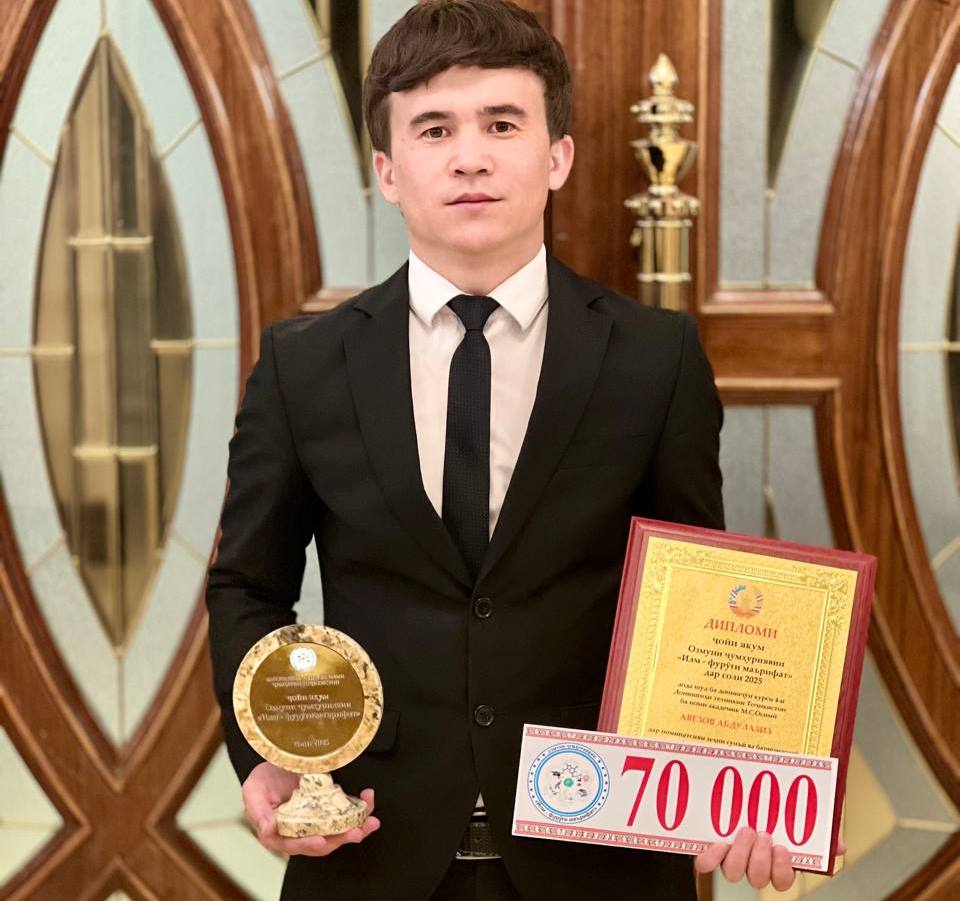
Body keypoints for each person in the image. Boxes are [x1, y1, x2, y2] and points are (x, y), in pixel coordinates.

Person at [206, 0, 809, 897]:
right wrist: (265, 753)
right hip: (371, 848)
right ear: (387, 170)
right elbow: (248, 584)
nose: (470, 156)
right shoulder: (304, 365)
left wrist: (743, 775)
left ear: (556, 155)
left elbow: (701, 600)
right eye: (434, 128)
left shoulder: (656, 358)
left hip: (599, 856)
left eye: (501, 123)